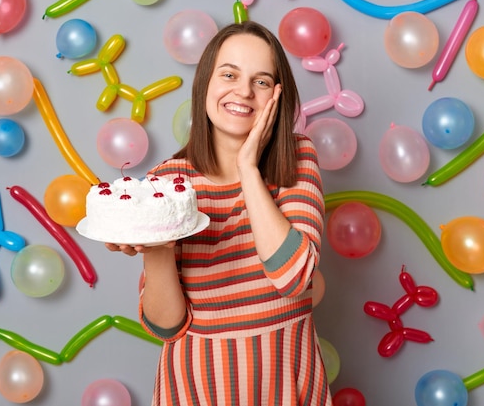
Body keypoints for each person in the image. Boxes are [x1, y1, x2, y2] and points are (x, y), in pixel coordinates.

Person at [106, 20, 331, 406]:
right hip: (195, 389)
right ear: (205, 83)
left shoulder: (297, 159)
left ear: (277, 95)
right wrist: (158, 246)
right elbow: (166, 325)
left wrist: (248, 169)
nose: (243, 91)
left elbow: (294, 279)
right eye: (229, 74)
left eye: (261, 81)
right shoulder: (167, 182)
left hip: (288, 383)